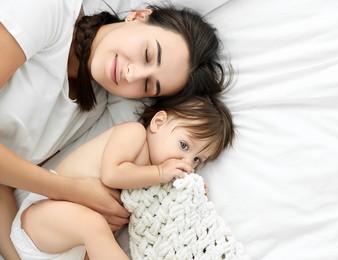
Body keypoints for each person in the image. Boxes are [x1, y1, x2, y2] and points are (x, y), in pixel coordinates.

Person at [0, 0, 231, 258]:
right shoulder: (49, 10)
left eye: (147, 86)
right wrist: (72, 189)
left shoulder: (92, 107)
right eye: (147, 54)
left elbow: (7, 179)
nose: (132, 75)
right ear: (139, 16)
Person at [10, 95, 235, 260]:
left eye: (197, 160)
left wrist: (191, 194)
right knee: (93, 225)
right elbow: (112, 174)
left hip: (74, 250)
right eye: (184, 145)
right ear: (158, 123)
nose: (187, 162)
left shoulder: (158, 177)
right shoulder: (133, 134)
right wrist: (160, 173)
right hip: (42, 217)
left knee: (99, 237)